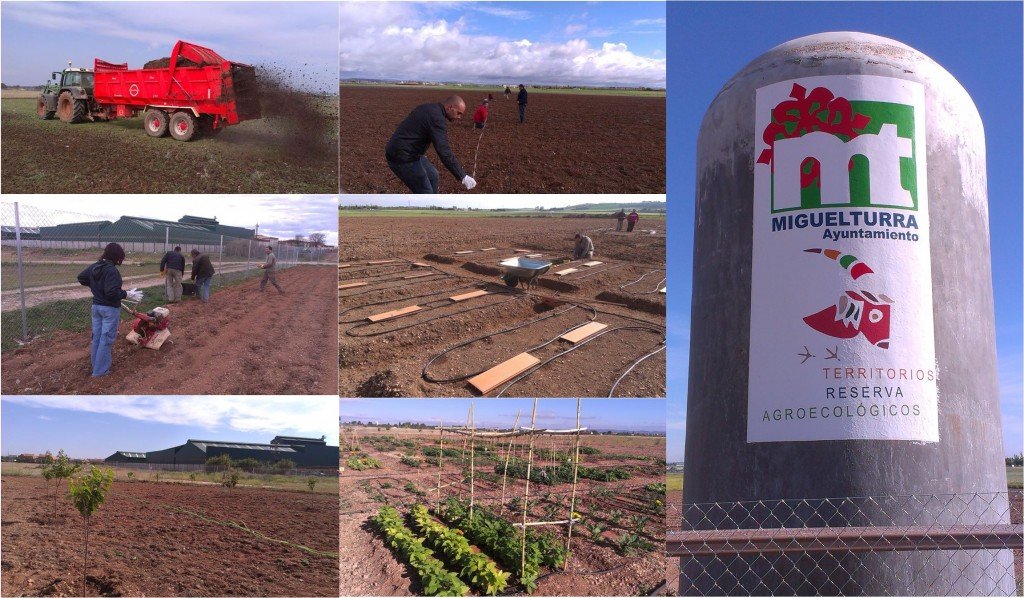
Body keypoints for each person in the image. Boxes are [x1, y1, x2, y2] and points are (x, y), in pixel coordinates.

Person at [385, 96, 477, 194]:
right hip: (401, 158)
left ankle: (432, 202)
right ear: (450, 107)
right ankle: (427, 204)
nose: (459, 117)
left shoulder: (430, 108)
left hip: (411, 153)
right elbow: (443, 151)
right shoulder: (436, 118)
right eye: (458, 113)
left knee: (433, 176)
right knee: (425, 192)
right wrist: (463, 176)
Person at [77, 242, 138, 377]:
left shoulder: (96, 266)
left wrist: (96, 286)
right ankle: (100, 372)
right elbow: (111, 292)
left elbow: (81, 277)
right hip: (109, 310)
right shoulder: (111, 270)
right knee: (106, 339)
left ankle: (96, 367)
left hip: (96, 308)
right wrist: (126, 294)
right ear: (117, 256)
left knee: (97, 338)